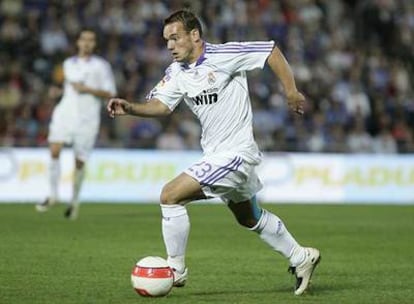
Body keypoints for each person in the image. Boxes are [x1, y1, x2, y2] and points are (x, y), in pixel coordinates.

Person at [107, 10, 320, 295]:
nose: (169, 45)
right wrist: (131, 108)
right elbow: (161, 106)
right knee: (249, 218)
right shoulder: (176, 73)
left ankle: (176, 269)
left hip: (236, 154)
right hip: (216, 155)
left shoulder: (225, 55)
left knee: (170, 196)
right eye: (166, 40)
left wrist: (291, 91)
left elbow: (271, 51)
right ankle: (301, 257)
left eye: (175, 37)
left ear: (194, 35)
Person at [36, 29, 117, 220]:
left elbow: (110, 92)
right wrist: (56, 93)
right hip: (65, 114)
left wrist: (87, 89)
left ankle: (74, 201)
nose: (87, 43)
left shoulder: (101, 66)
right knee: (54, 149)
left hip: (87, 119)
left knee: (79, 161)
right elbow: (64, 87)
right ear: (78, 42)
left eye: (91, 40)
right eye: (84, 39)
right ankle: (53, 194)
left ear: (94, 44)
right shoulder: (67, 64)